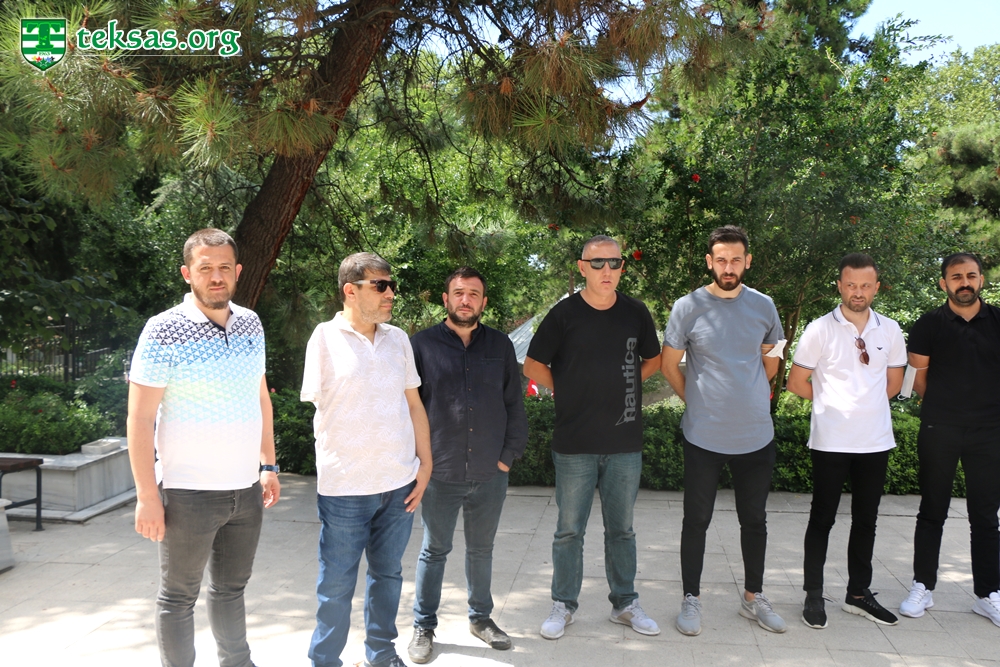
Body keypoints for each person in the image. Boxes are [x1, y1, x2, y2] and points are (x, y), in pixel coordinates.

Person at [127, 228, 281, 667]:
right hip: (188, 494)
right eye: (205, 268)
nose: (216, 277)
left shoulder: (250, 323)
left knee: (231, 590)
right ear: (187, 274)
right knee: (178, 598)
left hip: (245, 492)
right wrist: (147, 495)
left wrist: (268, 465)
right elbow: (139, 419)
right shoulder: (163, 329)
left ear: (238, 271)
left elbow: (260, 398)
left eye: (224, 267)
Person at [524, 235, 662, 640]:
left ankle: (625, 604)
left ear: (622, 268)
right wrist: (566, 389)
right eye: (597, 263)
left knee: (622, 531)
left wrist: (626, 385)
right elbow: (532, 365)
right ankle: (563, 605)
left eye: (614, 263)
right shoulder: (563, 314)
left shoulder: (635, 312)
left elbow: (653, 359)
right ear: (582, 267)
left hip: (624, 443)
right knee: (569, 531)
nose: (606, 270)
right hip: (575, 444)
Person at [301, 253, 433, 667]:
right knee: (336, 585)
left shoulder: (398, 339)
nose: (390, 293)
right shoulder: (324, 338)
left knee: (388, 576)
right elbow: (321, 410)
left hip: (399, 484)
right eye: (381, 285)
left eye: (392, 285)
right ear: (350, 290)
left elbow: (414, 404)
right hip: (345, 488)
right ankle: (325, 660)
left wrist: (425, 466)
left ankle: (381, 654)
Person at [660, 225, 786, 636]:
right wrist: (697, 401)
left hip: (756, 435)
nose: (728, 267)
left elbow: (771, 364)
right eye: (721, 260)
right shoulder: (688, 307)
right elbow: (668, 365)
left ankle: (753, 598)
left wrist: (748, 393)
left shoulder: (764, 306)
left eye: (735, 260)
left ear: (747, 261)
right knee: (696, 520)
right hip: (704, 436)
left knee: (755, 520)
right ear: (709, 262)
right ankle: (690, 599)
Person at [405, 267, 528, 663]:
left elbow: (514, 403)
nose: (465, 300)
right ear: (446, 299)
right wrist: (418, 462)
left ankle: (481, 619)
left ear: (483, 302)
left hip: (490, 472)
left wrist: (507, 458)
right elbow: (406, 408)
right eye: (458, 293)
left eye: (473, 294)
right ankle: (423, 626)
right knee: (434, 550)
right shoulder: (421, 346)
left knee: (481, 549)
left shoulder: (500, 345)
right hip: (439, 472)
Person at [786, 253, 906, 629]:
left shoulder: (890, 330)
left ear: (876, 288)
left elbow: (893, 384)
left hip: (875, 441)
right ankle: (813, 594)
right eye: (851, 284)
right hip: (831, 441)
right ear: (839, 286)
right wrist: (833, 404)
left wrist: (863, 407)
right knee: (822, 519)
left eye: (865, 285)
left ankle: (858, 595)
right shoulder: (819, 329)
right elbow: (795, 382)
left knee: (866, 521)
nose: (858, 292)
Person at [899, 252, 1000, 628]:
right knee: (932, 511)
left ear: (981, 280)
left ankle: (988, 594)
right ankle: (922, 587)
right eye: (956, 277)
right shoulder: (928, 325)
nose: (965, 282)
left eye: (971, 275)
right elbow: (918, 380)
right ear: (944, 283)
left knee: (986, 516)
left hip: (990, 431)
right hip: (939, 428)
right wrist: (947, 407)